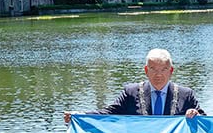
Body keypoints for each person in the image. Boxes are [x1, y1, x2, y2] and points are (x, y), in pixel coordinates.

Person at [63, 48, 204, 122]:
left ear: (171, 71)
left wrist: (195, 115)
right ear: (146, 70)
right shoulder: (131, 92)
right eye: (153, 69)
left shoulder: (186, 95)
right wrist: (79, 116)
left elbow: (207, 124)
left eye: (163, 69)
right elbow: (108, 113)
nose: (158, 75)